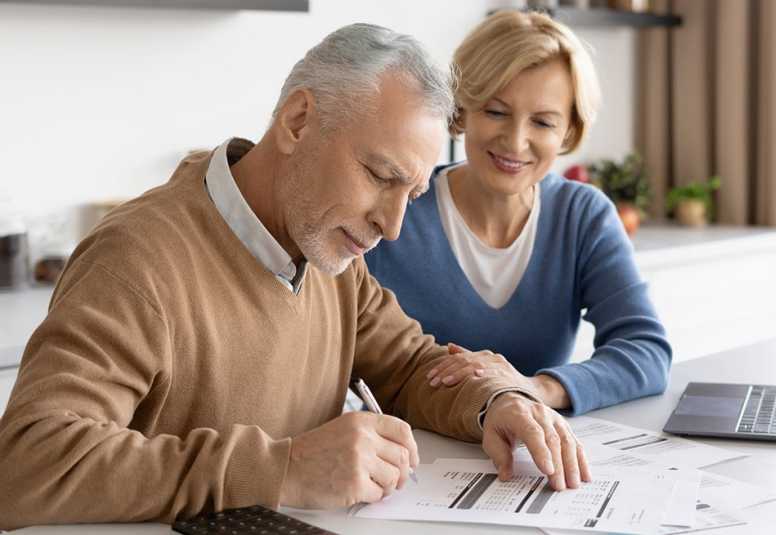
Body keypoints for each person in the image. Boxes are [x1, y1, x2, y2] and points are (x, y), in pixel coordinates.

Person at [0, 24, 590, 531]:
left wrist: (496, 400)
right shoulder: (136, 259)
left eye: (411, 192)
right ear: (298, 120)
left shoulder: (329, 250)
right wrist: (282, 468)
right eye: (380, 176)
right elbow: (26, 464)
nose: (391, 226)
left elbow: (412, 367)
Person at [366, 11, 673, 417]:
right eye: (495, 112)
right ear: (462, 110)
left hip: (536, 457)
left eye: (543, 122)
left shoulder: (582, 217)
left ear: (568, 132)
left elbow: (647, 351)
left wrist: (534, 388)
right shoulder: (394, 209)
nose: (515, 141)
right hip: (412, 458)